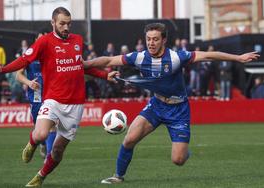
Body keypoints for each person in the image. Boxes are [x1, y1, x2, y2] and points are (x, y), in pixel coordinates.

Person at [83, 22, 259, 184]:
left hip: (178, 110)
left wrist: (238, 58)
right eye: (148, 39)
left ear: (164, 40)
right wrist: (85, 64)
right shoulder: (139, 57)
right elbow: (108, 60)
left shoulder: (176, 57)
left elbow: (208, 56)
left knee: (178, 160)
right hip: (157, 105)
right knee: (129, 139)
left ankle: (184, 151)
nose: (151, 43)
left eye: (155, 39)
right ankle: (117, 176)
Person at [0, 7, 117, 187]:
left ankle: (40, 176)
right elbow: (24, 60)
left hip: (76, 104)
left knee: (58, 150)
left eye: (69, 23)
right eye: (62, 23)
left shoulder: (77, 40)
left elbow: (80, 65)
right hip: (53, 99)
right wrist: (3, 69)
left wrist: (103, 75)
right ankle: (32, 143)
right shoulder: (44, 41)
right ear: (53, 23)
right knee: (41, 133)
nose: (66, 27)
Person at [16, 31, 56, 159]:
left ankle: (49, 157)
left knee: (52, 125)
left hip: (51, 95)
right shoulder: (29, 56)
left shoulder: (54, 54)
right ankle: (42, 144)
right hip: (36, 97)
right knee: (39, 131)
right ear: (36, 41)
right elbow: (18, 74)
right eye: (40, 39)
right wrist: (29, 83)